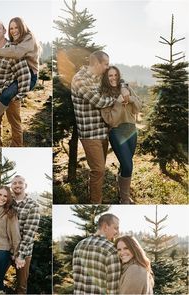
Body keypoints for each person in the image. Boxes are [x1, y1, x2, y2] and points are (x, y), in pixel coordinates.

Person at [0, 175, 40, 294]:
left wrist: (21, 255)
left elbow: (29, 234)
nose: (17, 185)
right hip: (5, 249)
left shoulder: (32, 206)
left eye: (20, 183)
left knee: (21, 285)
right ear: (11, 186)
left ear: (25, 186)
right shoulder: (8, 201)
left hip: (23, 252)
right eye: (14, 183)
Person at [71, 51, 116, 204]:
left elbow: (116, 82)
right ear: (97, 63)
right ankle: (95, 203)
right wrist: (116, 98)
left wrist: (122, 88)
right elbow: (98, 101)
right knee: (98, 170)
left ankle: (96, 197)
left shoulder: (99, 78)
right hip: (90, 134)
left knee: (99, 170)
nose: (107, 67)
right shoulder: (80, 79)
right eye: (106, 64)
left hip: (103, 131)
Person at [100, 66, 141, 204]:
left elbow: (138, 108)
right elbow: (110, 119)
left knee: (126, 164)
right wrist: (118, 102)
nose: (113, 78)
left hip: (131, 130)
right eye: (110, 75)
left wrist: (131, 99)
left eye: (116, 75)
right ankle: (124, 199)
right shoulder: (104, 95)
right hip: (116, 131)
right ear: (106, 77)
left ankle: (121, 193)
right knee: (128, 166)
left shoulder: (126, 88)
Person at [73, 213, 121, 294]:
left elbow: (77, 278)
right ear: (105, 226)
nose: (118, 232)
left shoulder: (79, 245)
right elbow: (113, 290)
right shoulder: (111, 250)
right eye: (116, 228)